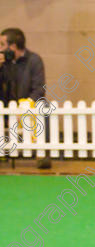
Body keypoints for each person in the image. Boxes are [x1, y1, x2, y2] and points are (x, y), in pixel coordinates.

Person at [0, 28, 51, 169]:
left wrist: (24, 108)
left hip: (28, 104)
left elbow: (39, 89)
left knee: (44, 106)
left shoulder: (34, 60)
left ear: (13, 46)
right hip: (6, 105)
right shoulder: (4, 63)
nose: (0, 48)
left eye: (2, 45)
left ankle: (43, 154)